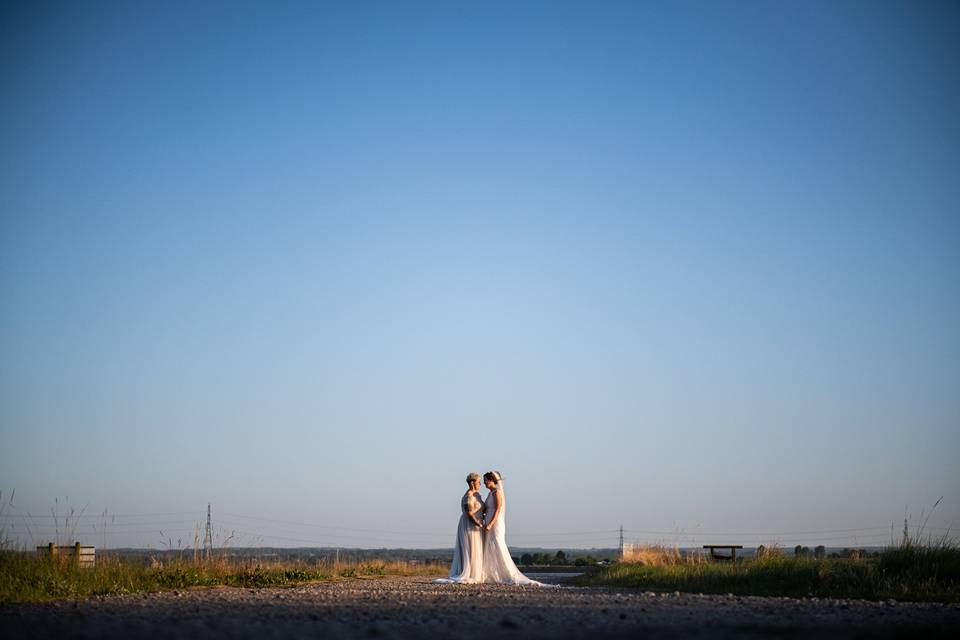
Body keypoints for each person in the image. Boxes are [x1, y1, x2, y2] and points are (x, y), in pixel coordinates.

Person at [480, 471, 543, 585]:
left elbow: (498, 509)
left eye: (485, 481)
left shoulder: (497, 492)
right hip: (489, 521)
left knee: (498, 544)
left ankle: (507, 573)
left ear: (491, 480)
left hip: (495, 523)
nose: (484, 483)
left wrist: (490, 524)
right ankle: (492, 573)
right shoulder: (490, 493)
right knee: (489, 546)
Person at [433, 472, 485, 583]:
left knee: (475, 548)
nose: (480, 484)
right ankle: (468, 572)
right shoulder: (468, 496)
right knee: (469, 548)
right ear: (472, 483)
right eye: (478, 482)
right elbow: (469, 513)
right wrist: (479, 524)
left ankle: (476, 572)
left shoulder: (477, 495)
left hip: (476, 524)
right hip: (469, 525)